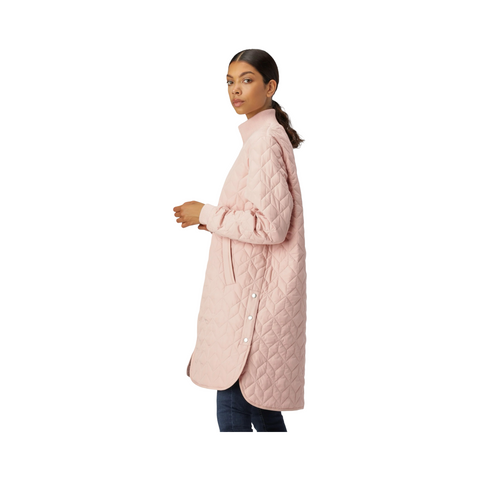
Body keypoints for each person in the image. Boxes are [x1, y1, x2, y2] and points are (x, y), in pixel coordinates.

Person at [173, 49, 307, 432]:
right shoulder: (261, 138)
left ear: (270, 87)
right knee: (260, 407)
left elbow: (271, 227)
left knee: (234, 402)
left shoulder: (264, 140)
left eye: (247, 80)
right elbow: (261, 216)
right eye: (230, 82)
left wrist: (207, 214)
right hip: (251, 292)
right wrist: (215, 223)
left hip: (253, 298)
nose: (235, 90)